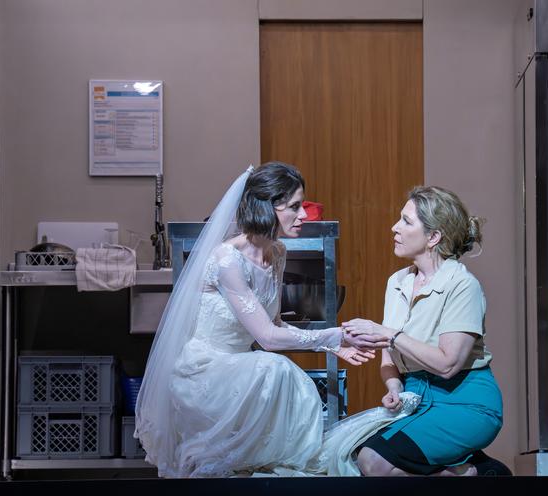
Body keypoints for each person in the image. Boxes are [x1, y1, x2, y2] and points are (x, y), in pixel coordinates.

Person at [134, 162, 389, 478]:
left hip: (241, 369)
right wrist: (334, 335)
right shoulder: (227, 259)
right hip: (205, 372)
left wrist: (330, 348)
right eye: (294, 206)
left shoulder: (277, 252)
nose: (305, 215)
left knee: (279, 374)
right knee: (276, 370)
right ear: (267, 207)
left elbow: (276, 324)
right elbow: (267, 338)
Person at [342, 186, 511, 476]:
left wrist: (390, 334)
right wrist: (395, 388)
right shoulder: (397, 282)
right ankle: (472, 473)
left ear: (433, 237)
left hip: (464, 403)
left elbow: (447, 364)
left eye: (406, 222)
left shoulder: (462, 285)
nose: (394, 228)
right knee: (353, 456)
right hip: (416, 399)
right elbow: (389, 360)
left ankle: (476, 473)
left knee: (374, 460)